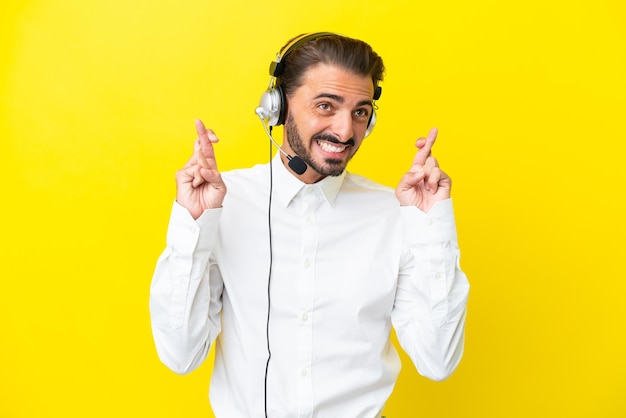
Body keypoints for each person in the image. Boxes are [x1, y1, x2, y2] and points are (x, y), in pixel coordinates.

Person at [149, 32, 470, 418]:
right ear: (278, 107)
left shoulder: (395, 213)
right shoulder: (223, 201)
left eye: (360, 112)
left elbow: (438, 361)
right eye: (325, 106)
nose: (345, 131)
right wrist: (193, 227)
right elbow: (180, 355)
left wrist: (431, 227)